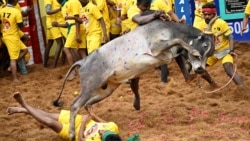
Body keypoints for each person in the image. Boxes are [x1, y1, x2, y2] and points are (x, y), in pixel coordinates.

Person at [7, 92, 122, 141]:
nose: (101, 132)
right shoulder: (112, 128)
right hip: (79, 120)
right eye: (104, 131)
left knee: (49, 122)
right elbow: (105, 123)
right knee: (48, 114)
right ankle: (24, 109)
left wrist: (83, 123)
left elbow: (81, 139)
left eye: (101, 134)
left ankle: (24, 105)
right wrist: (93, 115)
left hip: (75, 132)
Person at [195, 3, 244, 86]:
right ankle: (212, 83)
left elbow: (231, 37)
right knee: (197, 68)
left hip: (224, 51)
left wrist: (231, 50)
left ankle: (244, 90)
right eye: (205, 14)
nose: (206, 16)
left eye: (209, 14)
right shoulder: (200, 25)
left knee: (229, 70)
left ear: (214, 14)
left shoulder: (221, 23)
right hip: (210, 53)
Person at [0, 0, 28, 82]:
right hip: (12, 37)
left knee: (25, 50)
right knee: (13, 59)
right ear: (15, 1)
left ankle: (11, 67)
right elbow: (21, 26)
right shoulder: (16, 11)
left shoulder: (2, 9)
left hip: (5, 35)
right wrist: (24, 22)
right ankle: (15, 78)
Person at [43, 0, 66, 68]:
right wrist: (59, 9)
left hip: (54, 23)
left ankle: (45, 64)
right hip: (53, 23)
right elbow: (48, 11)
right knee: (60, 43)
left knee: (50, 43)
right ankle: (54, 65)